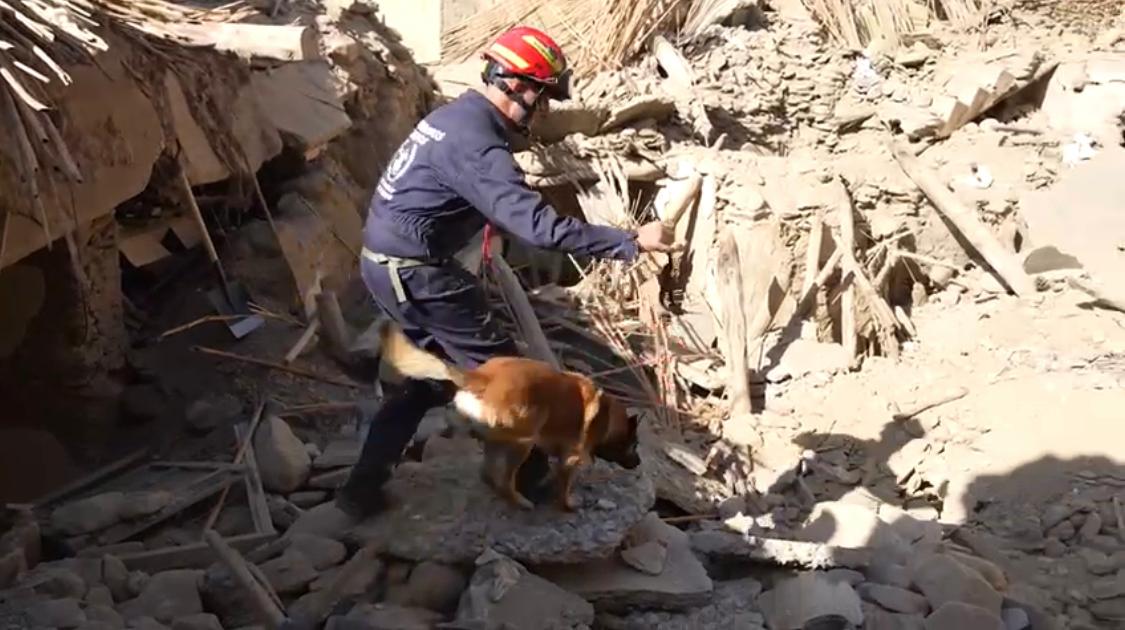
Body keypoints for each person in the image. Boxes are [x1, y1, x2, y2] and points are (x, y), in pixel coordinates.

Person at [334, 25, 678, 519]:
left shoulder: (454, 119)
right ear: (520, 87)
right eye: (544, 100)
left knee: (430, 380)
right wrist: (627, 241)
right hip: (423, 276)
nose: (543, 113)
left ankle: (360, 492)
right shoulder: (478, 144)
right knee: (519, 385)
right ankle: (540, 498)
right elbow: (539, 227)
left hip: (386, 268)